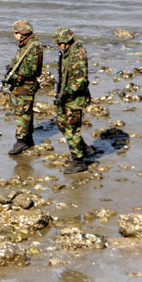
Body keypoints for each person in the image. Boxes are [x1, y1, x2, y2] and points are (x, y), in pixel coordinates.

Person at [53, 27, 92, 174]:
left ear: (65, 42)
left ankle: (78, 161)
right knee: (60, 122)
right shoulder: (67, 53)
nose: (58, 46)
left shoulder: (78, 54)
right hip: (66, 96)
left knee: (71, 129)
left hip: (75, 98)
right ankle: (84, 149)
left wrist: (66, 93)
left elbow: (80, 80)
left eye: (59, 43)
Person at [5, 20, 43, 155]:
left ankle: (21, 141)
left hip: (26, 85)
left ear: (22, 33)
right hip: (22, 84)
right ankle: (28, 139)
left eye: (16, 33)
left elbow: (31, 70)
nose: (14, 36)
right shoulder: (26, 45)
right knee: (26, 112)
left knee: (22, 112)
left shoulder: (33, 47)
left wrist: (17, 77)